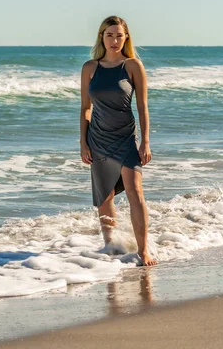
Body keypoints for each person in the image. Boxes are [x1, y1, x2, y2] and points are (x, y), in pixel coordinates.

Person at [80, 15, 157, 266]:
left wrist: (145, 142)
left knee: (135, 192)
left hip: (125, 137)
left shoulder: (133, 65)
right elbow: (85, 109)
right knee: (105, 198)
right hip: (98, 139)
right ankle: (110, 247)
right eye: (109, 35)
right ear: (101, 37)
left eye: (119, 35)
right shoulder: (90, 68)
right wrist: (83, 143)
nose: (114, 40)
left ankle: (143, 250)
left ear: (126, 37)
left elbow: (143, 106)